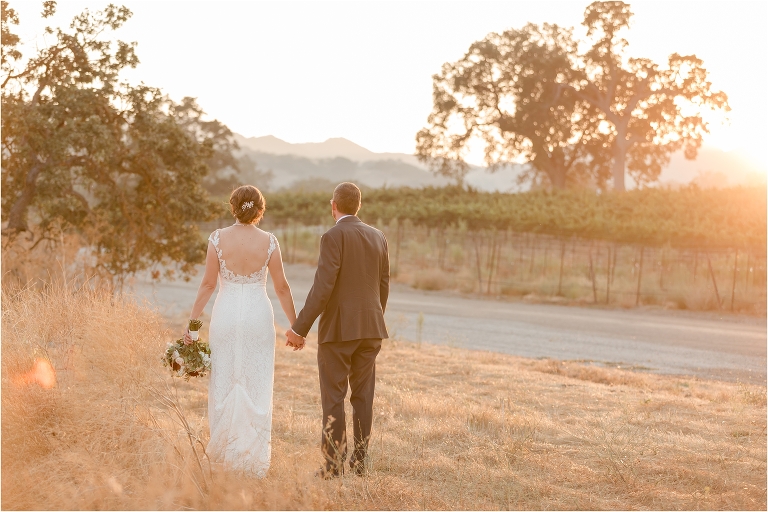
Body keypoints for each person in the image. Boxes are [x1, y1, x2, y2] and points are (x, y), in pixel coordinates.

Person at [184, 184, 302, 477]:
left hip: (225, 315)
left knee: (224, 381)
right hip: (258, 316)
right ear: (260, 210)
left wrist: (192, 324)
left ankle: (224, 455)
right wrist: (296, 327)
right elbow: (282, 287)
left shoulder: (217, 238)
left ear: (233, 207)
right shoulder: (270, 241)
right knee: (256, 383)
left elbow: (208, 284)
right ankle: (250, 461)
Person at [286, 182, 390, 478]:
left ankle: (333, 468)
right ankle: (359, 464)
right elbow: (383, 285)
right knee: (363, 397)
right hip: (371, 328)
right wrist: (373, 318)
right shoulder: (378, 236)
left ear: (334, 206)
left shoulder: (333, 236)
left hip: (339, 331)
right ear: (359, 205)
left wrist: (299, 328)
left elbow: (323, 287)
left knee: (334, 397)